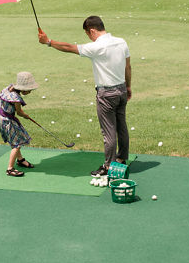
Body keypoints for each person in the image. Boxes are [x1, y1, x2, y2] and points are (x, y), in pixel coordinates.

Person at [38, 16, 131, 176]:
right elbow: (128, 66)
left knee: (108, 131)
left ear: (92, 31)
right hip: (121, 89)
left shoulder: (97, 47)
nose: (89, 37)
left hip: (106, 94)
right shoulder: (121, 42)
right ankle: (121, 159)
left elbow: (70, 47)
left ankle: (109, 166)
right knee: (121, 126)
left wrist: (48, 42)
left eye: (88, 34)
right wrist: (128, 86)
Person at [0, 71, 39, 177]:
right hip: (7, 120)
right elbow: (19, 113)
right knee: (17, 143)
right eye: (28, 90)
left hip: (1, 117)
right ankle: (10, 169)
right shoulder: (16, 98)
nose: (29, 92)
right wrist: (26, 116)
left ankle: (20, 160)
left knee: (16, 139)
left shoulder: (9, 88)